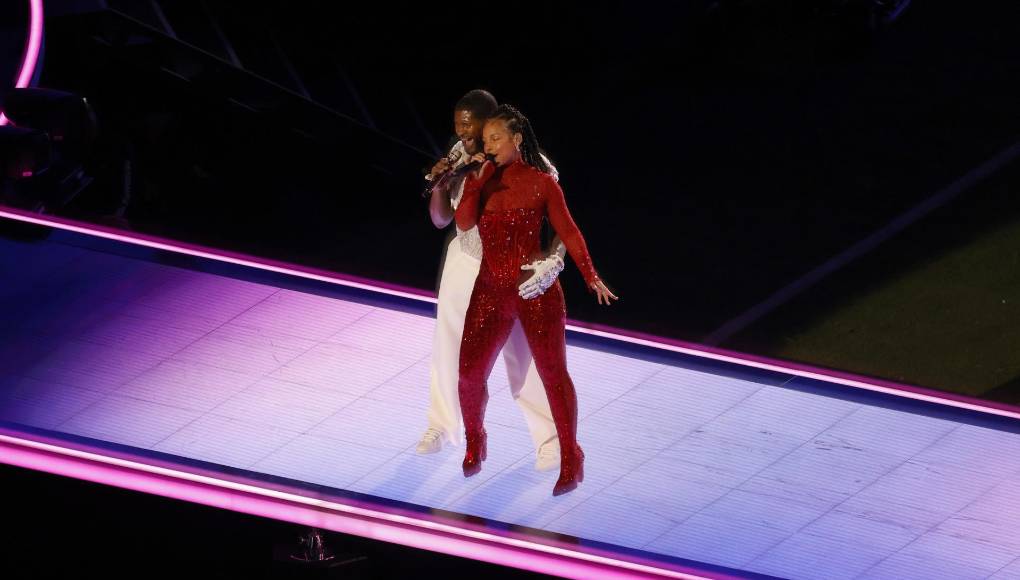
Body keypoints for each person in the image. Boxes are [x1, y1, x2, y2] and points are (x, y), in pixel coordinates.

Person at [455, 104, 618, 496]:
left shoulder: (543, 183)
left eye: (497, 138)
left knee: (552, 375)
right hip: (490, 289)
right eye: (486, 139)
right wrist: (476, 182)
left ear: (516, 140)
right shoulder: (483, 182)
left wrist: (590, 276)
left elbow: (571, 232)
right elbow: (462, 223)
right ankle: (475, 439)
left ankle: (570, 454)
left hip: (535, 291)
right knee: (468, 373)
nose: (489, 145)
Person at [417, 90, 567, 471]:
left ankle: (549, 440)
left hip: (513, 268)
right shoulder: (460, 157)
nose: (464, 138)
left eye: (471, 130)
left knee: (523, 355)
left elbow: (563, 222)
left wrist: (553, 261)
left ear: (492, 123)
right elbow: (440, 220)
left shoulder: (534, 163)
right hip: (467, 261)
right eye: (459, 131)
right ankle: (442, 426)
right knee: (449, 348)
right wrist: (439, 182)